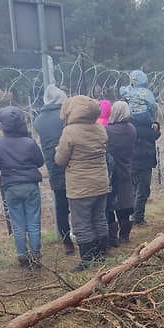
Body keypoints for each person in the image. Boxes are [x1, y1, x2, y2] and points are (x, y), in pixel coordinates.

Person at [55, 95, 109, 272]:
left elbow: (60, 159)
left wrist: (57, 150)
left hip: (80, 186)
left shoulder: (70, 132)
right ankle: (102, 254)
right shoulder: (100, 129)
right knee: (99, 218)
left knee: (82, 223)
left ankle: (87, 260)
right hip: (101, 182)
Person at [0, 106, 45, 268]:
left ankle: (22, 256)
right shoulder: (29, 143)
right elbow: (39, 162)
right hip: (30, 185)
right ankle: (36, 255)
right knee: (33, 222)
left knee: (18, 223)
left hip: (11, 186)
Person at [33, 84, 74, 255]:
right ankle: (83, 236)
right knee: (78, 203)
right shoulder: (65, 116)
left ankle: (66, 242)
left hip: (53, 167)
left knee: (61, 206)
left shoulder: (38, 120)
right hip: (72, 163)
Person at [105, 101, 137, 245]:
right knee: (125, 203)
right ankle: (125, 234)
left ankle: (112, 237)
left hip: (111, 172)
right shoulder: (131, 129)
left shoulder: (108, 131)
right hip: (126, 169)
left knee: (110, 204)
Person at [129, 115, 161, 226]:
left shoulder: (130, 125)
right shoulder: (147, 127)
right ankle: (138, 218)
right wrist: (156, 125)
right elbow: (156, 135)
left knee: (134, 191)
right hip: (144, 162)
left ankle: (132, 215)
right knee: (142, 192)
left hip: (131, 162)